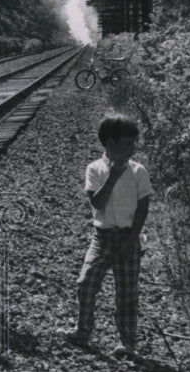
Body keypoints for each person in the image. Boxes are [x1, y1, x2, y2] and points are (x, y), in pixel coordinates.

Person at [63, 114, 152, 357]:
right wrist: (112, 177)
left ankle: (127, 342)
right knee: (86, 283)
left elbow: (143, 207)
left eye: (134, 143)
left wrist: (133, 239)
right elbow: (98, 203)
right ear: (110, 143)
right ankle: (83, 330)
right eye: (127, 143)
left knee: (127, 293)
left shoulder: (138, 171)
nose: (132, 148)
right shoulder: (95, 169)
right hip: (102, 237)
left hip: (128, 237)